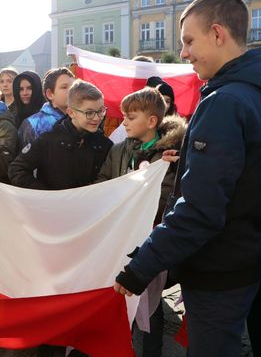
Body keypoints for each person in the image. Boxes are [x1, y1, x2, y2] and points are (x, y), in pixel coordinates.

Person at [113, 0, 261, 357]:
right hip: (248, 257)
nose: (183, 53)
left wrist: (141, 266)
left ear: (218, 34)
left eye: (188, 41)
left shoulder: (225, 102)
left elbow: (201, 209)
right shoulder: (255, 93)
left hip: (220, 270)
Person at [96, 87, 186, 357]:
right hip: (121, 235)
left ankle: (151, 351)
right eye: (124, 115)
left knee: (151, 302)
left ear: (151, 121)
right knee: (123, 295)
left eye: (130, 117)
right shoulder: (119, 150)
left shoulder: (170, 155)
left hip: (150, 239)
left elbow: (167, 197)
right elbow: (103, 183)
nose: (123, 122)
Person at [9, 79, 112, 190]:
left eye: (101, 111)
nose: (97, 118)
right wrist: (45, 194)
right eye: (89, 113)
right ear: (71, 113)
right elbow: (16, 169)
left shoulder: (105, 145)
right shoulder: (48, 141)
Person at [17, 67, 75, 149]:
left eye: (74, 87)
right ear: (50, 94)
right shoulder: (33, 124)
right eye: (64, 87)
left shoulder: (81, 119)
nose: (71, 91)